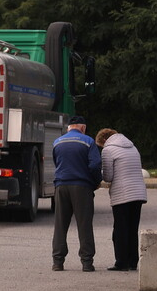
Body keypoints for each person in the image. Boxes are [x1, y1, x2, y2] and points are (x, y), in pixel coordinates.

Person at [52, 115, 101, 271]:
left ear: (68, 128)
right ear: (83, 128)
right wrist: (95, 182)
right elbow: (95, 165)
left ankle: (57, 262)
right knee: (84, 225)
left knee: (60, 225)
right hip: (81, 187)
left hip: (61, 186)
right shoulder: (88, 141)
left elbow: (56, 162)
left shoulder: (57, 142)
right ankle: (87, 263)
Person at [95, 128, 147, 271]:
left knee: (120, 229)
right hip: (138, 194)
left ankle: (121, 262)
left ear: (104, 140)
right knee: (132, 228)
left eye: (100, 145)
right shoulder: (132, 146)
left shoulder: (108, 150)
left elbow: (108, 177)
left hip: (122, 194)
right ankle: (133, 261)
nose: (101, 148)